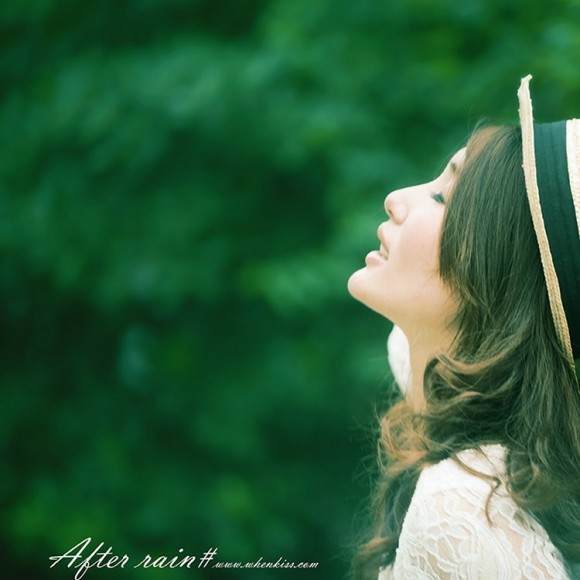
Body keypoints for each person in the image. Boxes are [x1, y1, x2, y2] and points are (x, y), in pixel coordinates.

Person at [347, 75, 580, 579]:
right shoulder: (446, 388)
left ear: (493, 278)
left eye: (441, 198)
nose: (396, 198)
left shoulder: (464, 510)